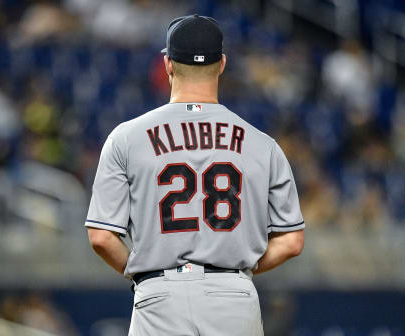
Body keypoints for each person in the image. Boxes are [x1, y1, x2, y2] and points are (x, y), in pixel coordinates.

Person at [85, 14, 305, 336]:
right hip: (233, 296)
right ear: (222, 64)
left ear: (168, 65)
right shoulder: (263, 144)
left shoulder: (126, 137)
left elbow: (102, 236)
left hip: (159, 296)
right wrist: (238, 271)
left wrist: (141, 276)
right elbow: (291, 241)